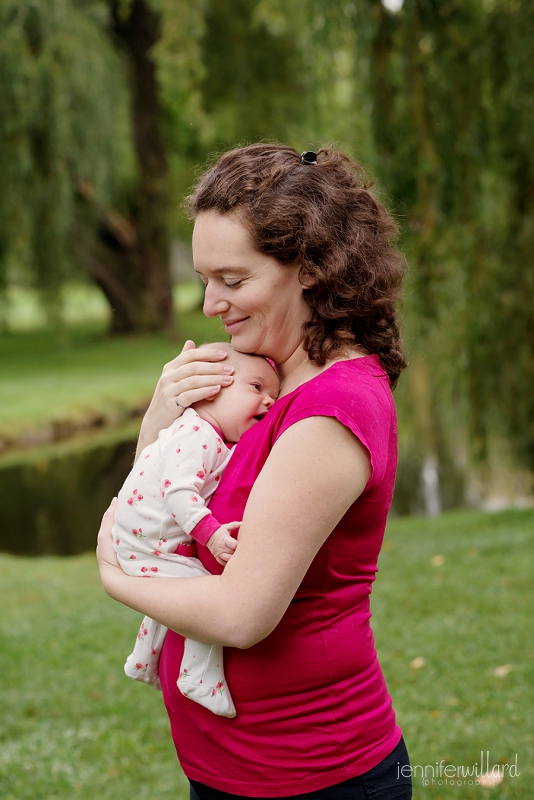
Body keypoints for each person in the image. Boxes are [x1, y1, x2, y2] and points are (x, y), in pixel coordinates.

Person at [97, 144, 412, 799]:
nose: (211, 303)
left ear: (308, 269)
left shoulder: (331, 409)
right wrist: (161, 417)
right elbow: (154, 513)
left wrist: (113, 574)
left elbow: (241, 615)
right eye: (203, 279)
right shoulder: (258, 381)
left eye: (232, 281)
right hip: (232, 768)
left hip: (310, 775)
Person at [113, 343, 279, 717]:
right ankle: (198, 676)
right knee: (204, 596)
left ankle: (142, 658)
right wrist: (213, 535)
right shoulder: (196, 434)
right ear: (211, 388)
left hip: (144, 540)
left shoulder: (211, 436)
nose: (269, 401)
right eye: (256, 387)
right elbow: (179, 493)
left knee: (172, 590)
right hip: (147, 543)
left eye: (274, 394)